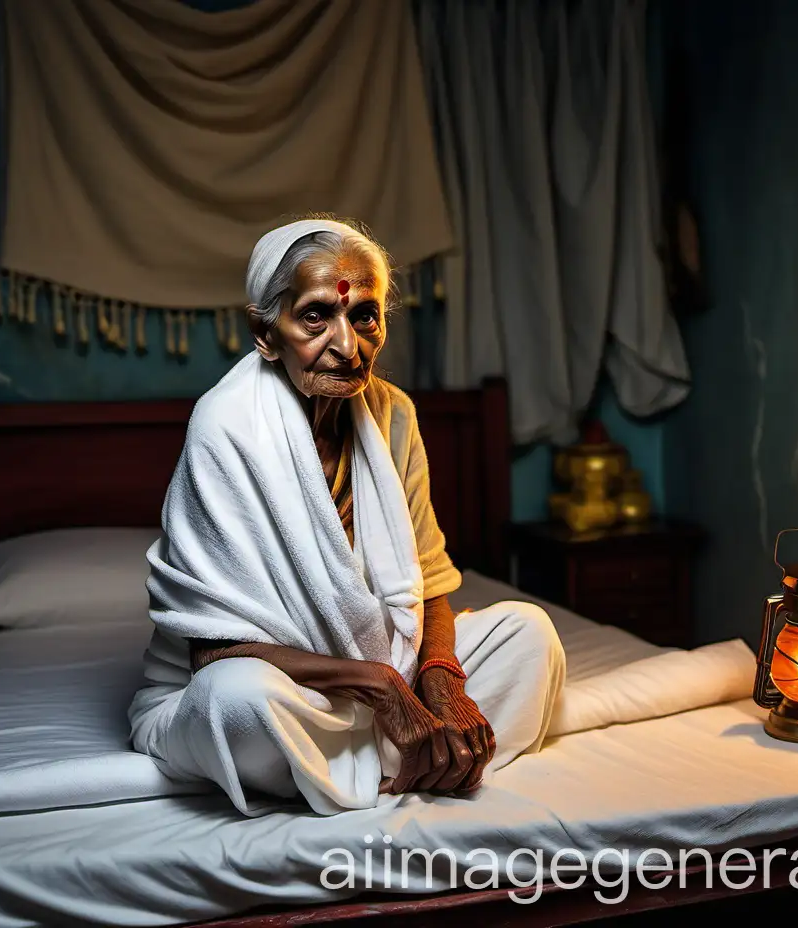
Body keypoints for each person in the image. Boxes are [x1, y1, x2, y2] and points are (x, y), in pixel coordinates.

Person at [127, 216, 565, 816]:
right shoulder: (224, 426)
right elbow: (213, 652)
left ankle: (381, 758)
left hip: (391, 671)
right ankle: (416, 756)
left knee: (529, 634)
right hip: (282, 688)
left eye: (365, 316)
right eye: (315, 317)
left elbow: (429, 580)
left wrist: (439, 675)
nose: (346, 345)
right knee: (238, 700)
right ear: (264, 332)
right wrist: (381, 687)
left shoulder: (394, 415)